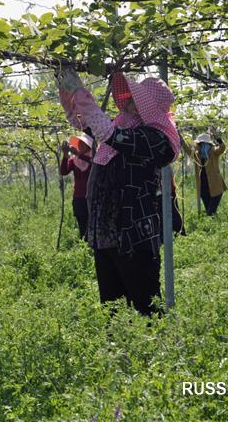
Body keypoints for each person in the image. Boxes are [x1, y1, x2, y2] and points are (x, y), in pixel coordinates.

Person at [57, 68, 180, 316]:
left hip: (133, 236)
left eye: (137, 99)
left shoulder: (156, 139)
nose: (130, 102)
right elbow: (85, 124)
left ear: (150, 106)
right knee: (112, 309)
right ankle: (119, 353)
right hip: (107, 234)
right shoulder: (125, 124)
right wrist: (66, 92)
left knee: (146, 306)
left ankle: (155, 351)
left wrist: (81, 92)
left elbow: (108, 134)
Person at [181, 127, 227, 216]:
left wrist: (216, 135)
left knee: (211, 212)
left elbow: (222, 147)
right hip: (203, 187)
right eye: (200, 144)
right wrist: (181, 139)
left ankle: (213, 226)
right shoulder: (196, 155)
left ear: (209, 144)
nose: (202, 146)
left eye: (204, 144)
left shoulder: (214, 152)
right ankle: (213, 226)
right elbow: (187, 150)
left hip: (215, 186)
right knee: (209, 211)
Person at [59, 133, 93, 239]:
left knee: (92, 223)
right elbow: (64, 171)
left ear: (89, 146)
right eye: (80, 143)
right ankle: (84, 246)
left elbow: (93, 163)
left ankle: (92, 247)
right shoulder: (74, 160)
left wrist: (79, 155)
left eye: (83, 143)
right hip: (78, 197)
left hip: (92, 197)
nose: (81, 145)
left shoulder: (94, 158)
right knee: (82, 224)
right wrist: (65, 155)